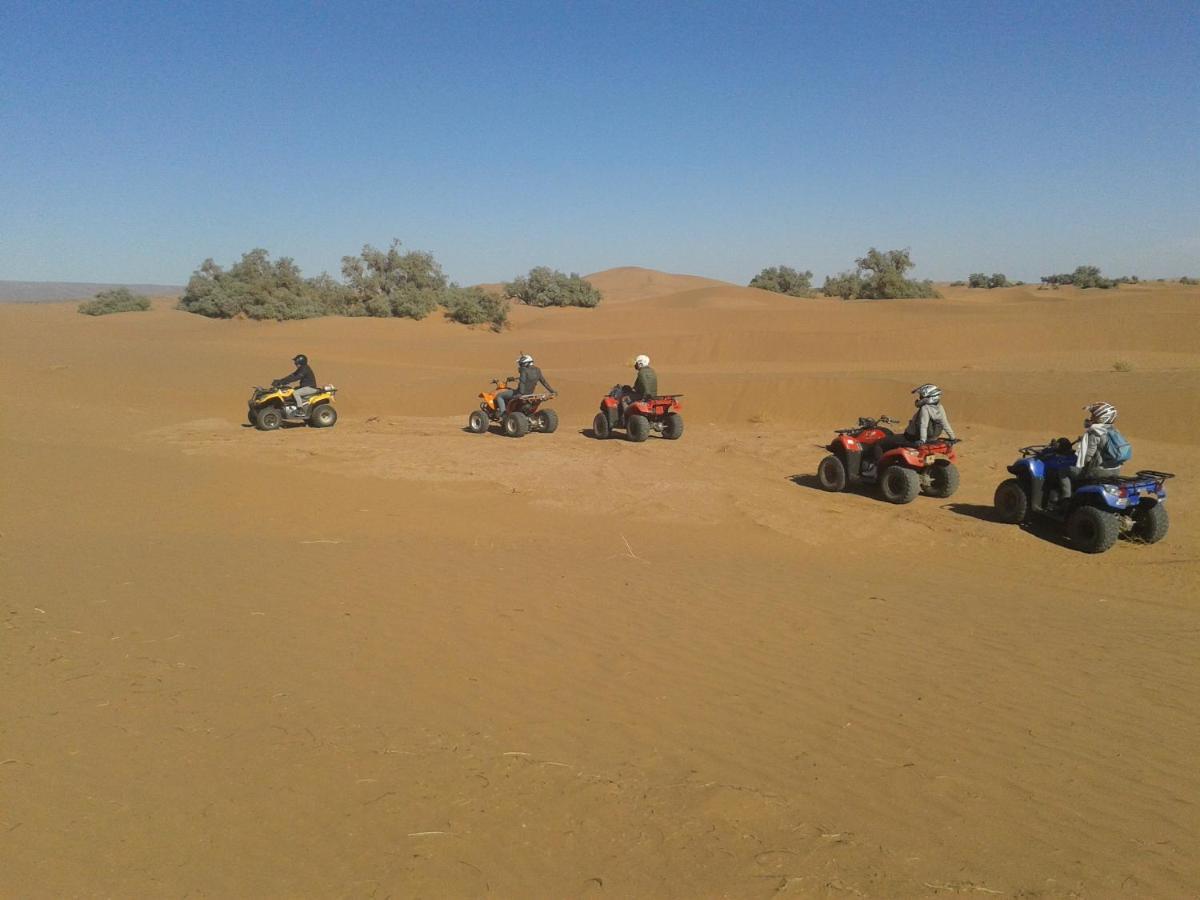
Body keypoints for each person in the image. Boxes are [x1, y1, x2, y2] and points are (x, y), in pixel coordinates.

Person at [1033, 401, 1123, 511]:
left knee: (1063, 470)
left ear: (1102, 418)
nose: (1090, 418)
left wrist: (1076, 456)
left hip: (1096, 472)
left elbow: (1087, 457)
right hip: (1115, 471)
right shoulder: (1114, 431)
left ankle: (1066, 499)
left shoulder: (1094, 434)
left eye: (1093, 416)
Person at [865, 383, 956, 473]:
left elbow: (923, 425)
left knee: (879, 444)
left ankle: (876, 469)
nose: (920, 398)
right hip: (932, 439)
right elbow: (945, 423)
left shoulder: (925, 408)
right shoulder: (940, 408)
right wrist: (952, 437)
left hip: (911, 438)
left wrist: (922, 440)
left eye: (921, 396)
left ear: (928, 398)